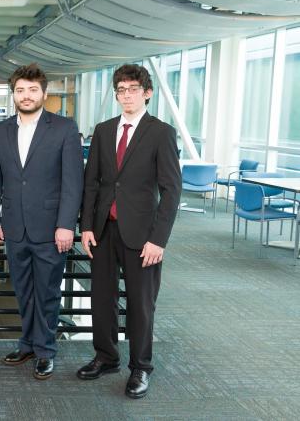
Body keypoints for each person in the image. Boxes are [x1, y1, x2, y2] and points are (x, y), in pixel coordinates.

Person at [77, 64, 181, 399]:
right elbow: (91, 182)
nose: (126, 95)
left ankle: (140, 367)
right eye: (121, 89)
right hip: (104, 231)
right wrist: (87, 226)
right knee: (101, 300)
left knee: (140, 304)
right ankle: (106, 357)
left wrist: (158, 240)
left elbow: (171, 190)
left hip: (143, 235)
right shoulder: (104, 130)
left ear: (147, 92)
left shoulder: (160, 132)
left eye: (133, 89)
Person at [0, 64, 83, 380]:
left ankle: (45, 351)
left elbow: (72, 183)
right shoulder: (1, 131)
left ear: (43, 92)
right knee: (23, 290)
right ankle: (27, 344)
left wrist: (67, 224)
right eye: (20, 90)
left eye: (32, 90)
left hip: (52, 229)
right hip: (13, 226)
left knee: (48, 293)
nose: (26, 96)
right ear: (13, 94)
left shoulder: (65, 128)